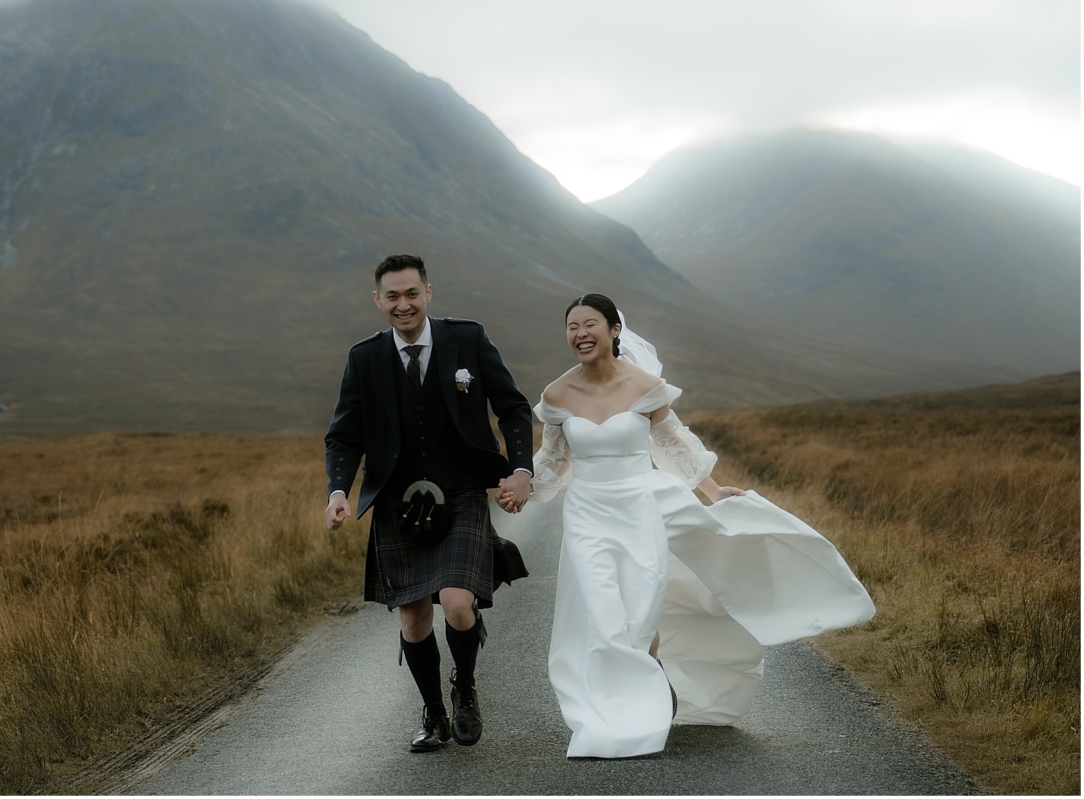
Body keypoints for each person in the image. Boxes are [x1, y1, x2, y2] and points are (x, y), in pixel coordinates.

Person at [497, 293, 875, 759]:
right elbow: (553, 460)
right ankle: (605, 718)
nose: (580, 333)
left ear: (614, 330)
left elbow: (675, 444)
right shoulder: (557, 395)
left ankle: (646, 685)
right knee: (602, 613)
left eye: (590, 323)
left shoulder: (644, 386)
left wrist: (713, 492)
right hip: (586, 516)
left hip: (638, 512)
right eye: (572, 326)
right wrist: (523, 488)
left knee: (639, 615)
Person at [325, 254, 535, 753]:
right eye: (392, 296)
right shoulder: (364, 358)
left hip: (461, 488)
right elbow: (343, 436)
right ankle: (434, 713)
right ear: (378, 300)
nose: (403, 304)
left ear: (429, 293)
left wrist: (522, 471)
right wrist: (338, 491)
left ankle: (464, 689)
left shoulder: (468, 338)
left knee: (458, 604)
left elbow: (512, 407)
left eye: (412, 293)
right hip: (398, 500)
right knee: (414, 619)